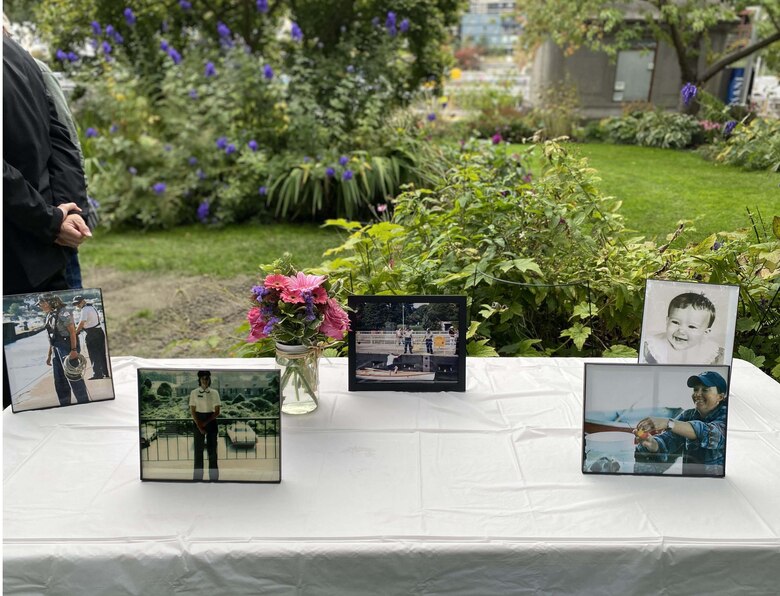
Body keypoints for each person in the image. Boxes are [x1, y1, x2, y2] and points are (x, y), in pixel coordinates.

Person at [3, 33, 92, 409]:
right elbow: (63, 140)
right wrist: (65, 214)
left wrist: (55, 220)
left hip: (18, 248)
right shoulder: (18, 54)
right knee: (50, 412)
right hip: (45, 253)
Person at [634, 370, 728, 476]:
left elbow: (709, 433)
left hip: (716, 485)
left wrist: (668, 423)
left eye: (705, 390)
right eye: (695, 389)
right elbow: (668, 440)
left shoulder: (728, 417)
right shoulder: (687, 415)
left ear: (720, 396)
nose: (697, 394)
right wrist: (652, 443)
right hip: (688, 482)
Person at [39, 293, 90, 406]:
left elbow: (72, 332)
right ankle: (65, 405)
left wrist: (73, 350)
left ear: (49, 302)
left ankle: (85, 404)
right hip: (56, 348)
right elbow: (52, 336)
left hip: (67, 347)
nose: (40, 306)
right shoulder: (49, 315)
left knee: (74, 377)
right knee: (59, 380)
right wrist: (49, 355)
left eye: (41, 303)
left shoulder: (63, 312)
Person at [643, 293, 724, 365]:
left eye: (692, 326)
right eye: (675, 322)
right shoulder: (652, 347)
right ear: (667, 321)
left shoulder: (712, 354)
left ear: (705, 332)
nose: (681, 330)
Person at [189, 370, 221, 481]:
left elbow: (217, 412)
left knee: (212, 452)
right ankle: (197, 478)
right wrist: (199, 426)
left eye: (207, 378)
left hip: (211, 421)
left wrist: (205, 423)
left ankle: (214, 478)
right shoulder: (194, 393)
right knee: (198, 451)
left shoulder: (214, 393)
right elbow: (192, 411)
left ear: (209, 379)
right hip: (198, 421)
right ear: (199, 380)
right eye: (203, 378)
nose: (205, 380)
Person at [73, 295, 110, 379]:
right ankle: (105, 373)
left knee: (93, 354)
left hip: (92, 334)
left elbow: (81, 323)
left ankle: (97, 374)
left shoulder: (84, 310)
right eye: (75, 304)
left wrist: (75, 333)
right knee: (101, 353)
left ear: (83, 301)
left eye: (78, 303)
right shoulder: (91, 307)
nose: (77, 305)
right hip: (99, 331)